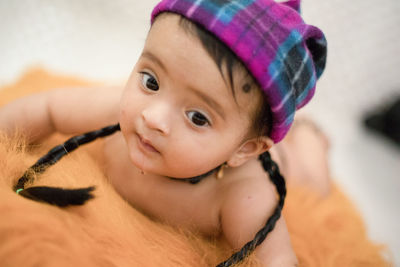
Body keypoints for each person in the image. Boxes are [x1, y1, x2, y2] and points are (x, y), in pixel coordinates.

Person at [0, 0, 328, 265]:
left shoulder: (243, 195)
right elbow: (49, 108)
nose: (153, 117)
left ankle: (310, 136)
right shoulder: (118, 108)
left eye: (197, 117)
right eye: (152, 81)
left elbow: (278, 260)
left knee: (315, 184)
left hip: (276, 161)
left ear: (245, 148)